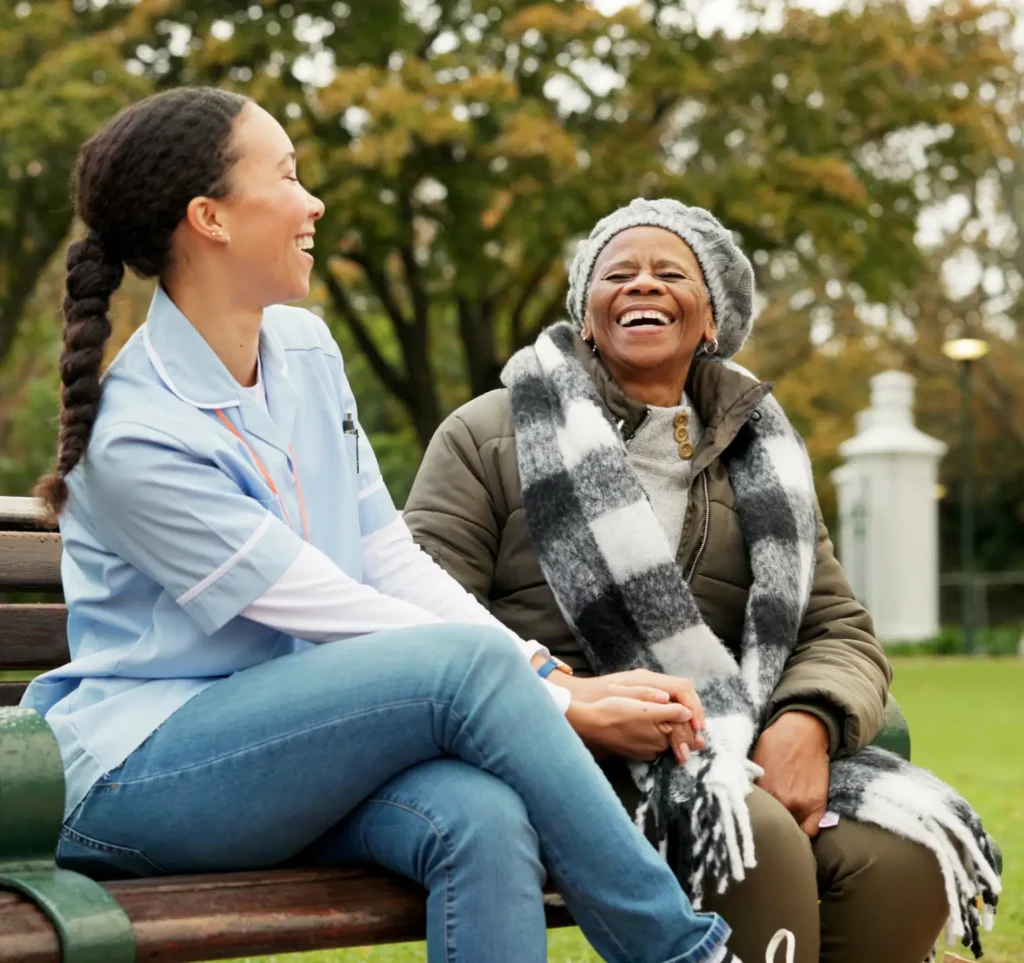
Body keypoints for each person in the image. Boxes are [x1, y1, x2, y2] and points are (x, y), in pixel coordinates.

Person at [19, 90, 753, 963]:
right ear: (209, 217)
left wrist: (544, 674)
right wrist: (565, 700)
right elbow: (328, 608)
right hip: (140, 776)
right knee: (470, 669)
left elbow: (385, 556)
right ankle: (687, 953)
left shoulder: (306, 350)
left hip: (296, 755)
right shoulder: (133, 434)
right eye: (288, 175)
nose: (313, 201)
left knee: (481, 819)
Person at [405, 198, 1002, 963]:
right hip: (557, 744)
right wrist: (571, 703)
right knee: (754, 839)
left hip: (736, 735)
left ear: (712, 316)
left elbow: (837, 628)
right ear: (586, 315)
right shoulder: (488, 433)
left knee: (904, 854)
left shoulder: (766, 453)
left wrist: (808, 721)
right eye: (616, 273)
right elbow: (423, 613)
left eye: (668, 272)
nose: (642, 285)